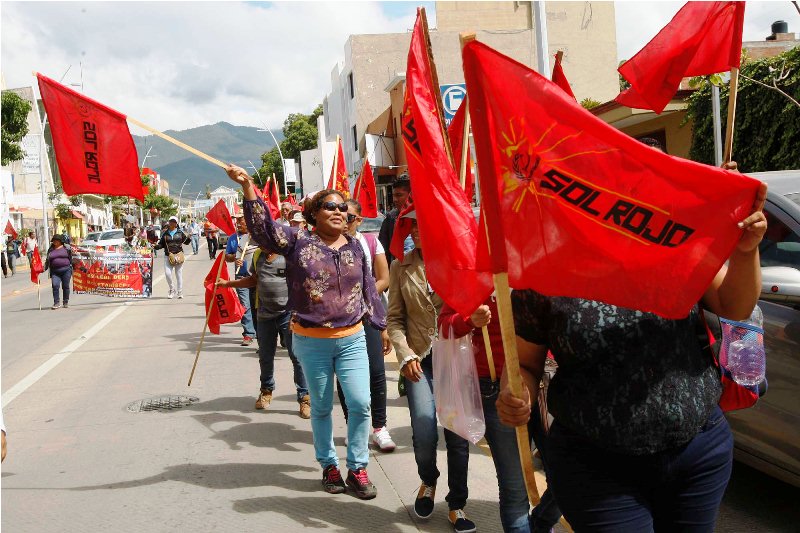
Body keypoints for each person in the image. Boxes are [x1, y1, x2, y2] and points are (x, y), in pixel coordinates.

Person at [496, 176, 768, 532]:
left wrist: (746, 251)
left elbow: (735, 306)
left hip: (698, 453)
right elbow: (525, 364)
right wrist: (515, 393)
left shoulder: (677, 245)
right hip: (595, 469)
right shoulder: (543, 274)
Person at [225, 164, 389, 501]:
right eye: (330, 206)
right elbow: (262, 229)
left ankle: (357, 467)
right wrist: (248, 187)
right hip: (311, 341)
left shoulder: (356, 246)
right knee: (322, 407)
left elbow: (368, 288)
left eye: (344, 207)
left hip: (353, 338)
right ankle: (328, 464)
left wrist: (381, 326)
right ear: (314, 213)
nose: (339, 211)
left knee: (360, 403)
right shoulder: (298, 240)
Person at [386, 210, 475, 533]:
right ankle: (428, 480)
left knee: (457, 437)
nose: (420, 231)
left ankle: (457, 504)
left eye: (428, 225)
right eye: (415, 226)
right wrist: (405, 352)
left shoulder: (460, 263)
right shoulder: (400, 266)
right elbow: (394, 319)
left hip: (454, 358)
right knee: (424, 432)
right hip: (419, 361)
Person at [440, 297, 561, 533]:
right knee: (515, 490)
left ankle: (540, 523)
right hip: (497, 391)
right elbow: (444, 325)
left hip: (550, 385)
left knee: (565, 479)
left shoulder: (541, 270)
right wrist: (469, 320)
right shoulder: (474, 276)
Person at [218, 245, 311, 418]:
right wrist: (228, 284)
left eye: (261, 238)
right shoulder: (258, 256)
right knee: (265, 357)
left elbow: (302, 283)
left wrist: (299, 312)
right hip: (264, 315)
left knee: (297, 357)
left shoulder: (288, 255)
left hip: (288, 316)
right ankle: (266, 391)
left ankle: (304, 398)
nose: (257, 243)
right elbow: (253, 279)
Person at [335, 199, 395, 453]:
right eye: (339, 215)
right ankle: (353, 427)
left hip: (369, 314)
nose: (343, 221)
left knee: (376, 371)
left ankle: (379, 427)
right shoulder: (328, 245)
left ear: (358, 220)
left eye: (349, 217)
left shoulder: (370, 242)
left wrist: (362, 295)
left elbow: (384, 278)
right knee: (345, 373)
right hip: (340, 319)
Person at [226, 214, 258, 346]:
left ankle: (261, 332)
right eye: (237, 222)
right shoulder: (233, 238)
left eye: (241, 222)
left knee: (258, 307)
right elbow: (227, 256)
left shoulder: (256, 237)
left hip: (257, 278)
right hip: (241, 277)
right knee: (245, 306)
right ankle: (248, 333)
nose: (238, 224)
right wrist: (235, 258)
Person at [378, 174, 412, 265]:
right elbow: (383, 250)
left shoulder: (425, 217)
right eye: (394, 195)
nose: (395, 200)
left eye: (399, 195)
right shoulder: (391, 218)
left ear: (411, 195)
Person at [153, 216, 191, 299]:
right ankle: (171, 289)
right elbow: (161, 244)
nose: (171, 223)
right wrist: (156, 246)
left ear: (176, 223)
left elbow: (186, 242)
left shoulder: (180, 233)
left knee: (179, 274)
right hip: (168, 255)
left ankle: (180, 291)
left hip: (178, 255)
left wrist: (189, 237)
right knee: (168, 274)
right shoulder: (165, 233)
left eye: (173, 222)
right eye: (170, 221)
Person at [43, 234, 73, 309]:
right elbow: (47, 260)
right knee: (55, 285)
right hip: (55, 271)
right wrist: (42, 269)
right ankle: (56, 302)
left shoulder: (67, 248)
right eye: (54, 240)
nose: (55, 242)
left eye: (56, 240)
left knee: (65, 286)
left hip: (66, 270)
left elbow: (72, 258)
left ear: (60, 241)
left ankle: (65, 301)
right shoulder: (51, 249)